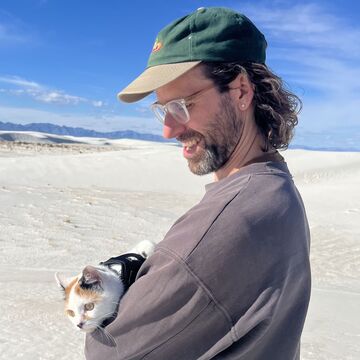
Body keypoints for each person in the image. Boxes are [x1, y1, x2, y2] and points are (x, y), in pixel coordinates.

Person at [85, 7, 311, 360]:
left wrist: (117, 299)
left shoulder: (230, 219)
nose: (168, 130)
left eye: (182, 105)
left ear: (239, 90)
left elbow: (108, 352)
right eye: (163, 109)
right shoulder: (276, 188)